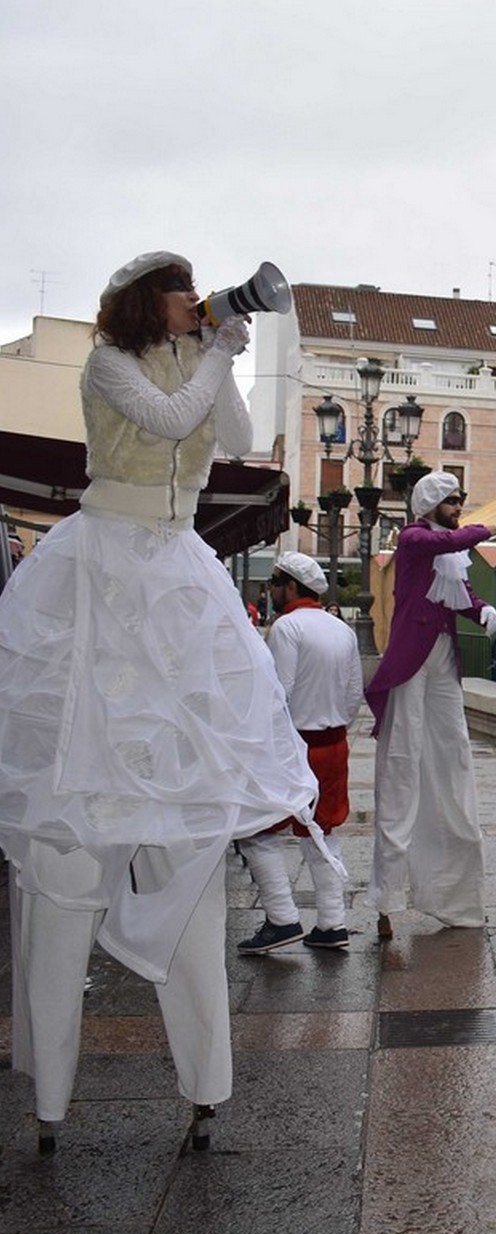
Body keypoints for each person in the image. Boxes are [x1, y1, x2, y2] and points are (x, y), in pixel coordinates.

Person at [0, 251, 321, 1153]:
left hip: (176, 567)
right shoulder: (108, 361)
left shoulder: (193, 358)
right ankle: (52, 1092)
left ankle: (204, 1079)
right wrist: (214, 349)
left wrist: (227, 351)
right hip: (104, 559)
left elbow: (236, 434)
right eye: (185, 291)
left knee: (183, 800)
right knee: (77, 785)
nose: (197, 298)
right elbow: (166, 417)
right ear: (150, 301)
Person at [365, 471, 496, 940]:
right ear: (431, 503)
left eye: (462, 500)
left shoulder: (445, 552)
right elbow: (450, 543)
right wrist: (491, 530)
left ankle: (455, 898)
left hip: (441, 661)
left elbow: (457, 590)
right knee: (402, 767)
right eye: (453, 500)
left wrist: (481, 609)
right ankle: (388, 900)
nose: (460, 506)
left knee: (453, 762)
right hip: (411, 662)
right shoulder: (413, 539)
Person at [236, 551, 363, 954]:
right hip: (334, 743)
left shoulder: (287, 627)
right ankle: (331, 923)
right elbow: (353, 695)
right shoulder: (341, 629)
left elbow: (279, 693)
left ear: (291, 586)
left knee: (256, 829)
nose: (269, 591)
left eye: (274, 583)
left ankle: (281, 918)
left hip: (293, 746)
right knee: (320, 831)